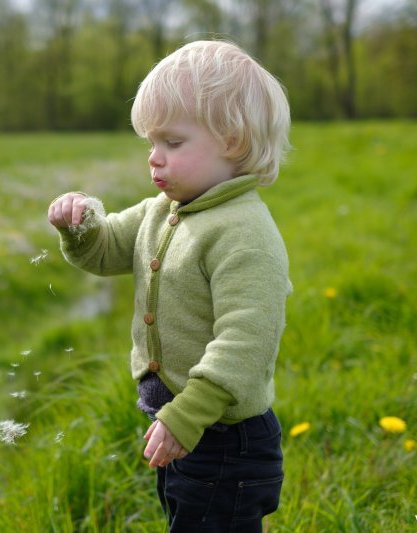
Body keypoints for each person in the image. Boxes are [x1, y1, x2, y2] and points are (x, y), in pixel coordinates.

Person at [47, 40, 292, 532]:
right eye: (150, 144)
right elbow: (108, 248)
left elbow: (246, 340)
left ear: (233, 140)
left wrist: (188, 415)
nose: (154, 159)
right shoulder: (163, 210)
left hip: (222, 435)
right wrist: (79, 224)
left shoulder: (245, 233)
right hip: (183, 427)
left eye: (173, 144)